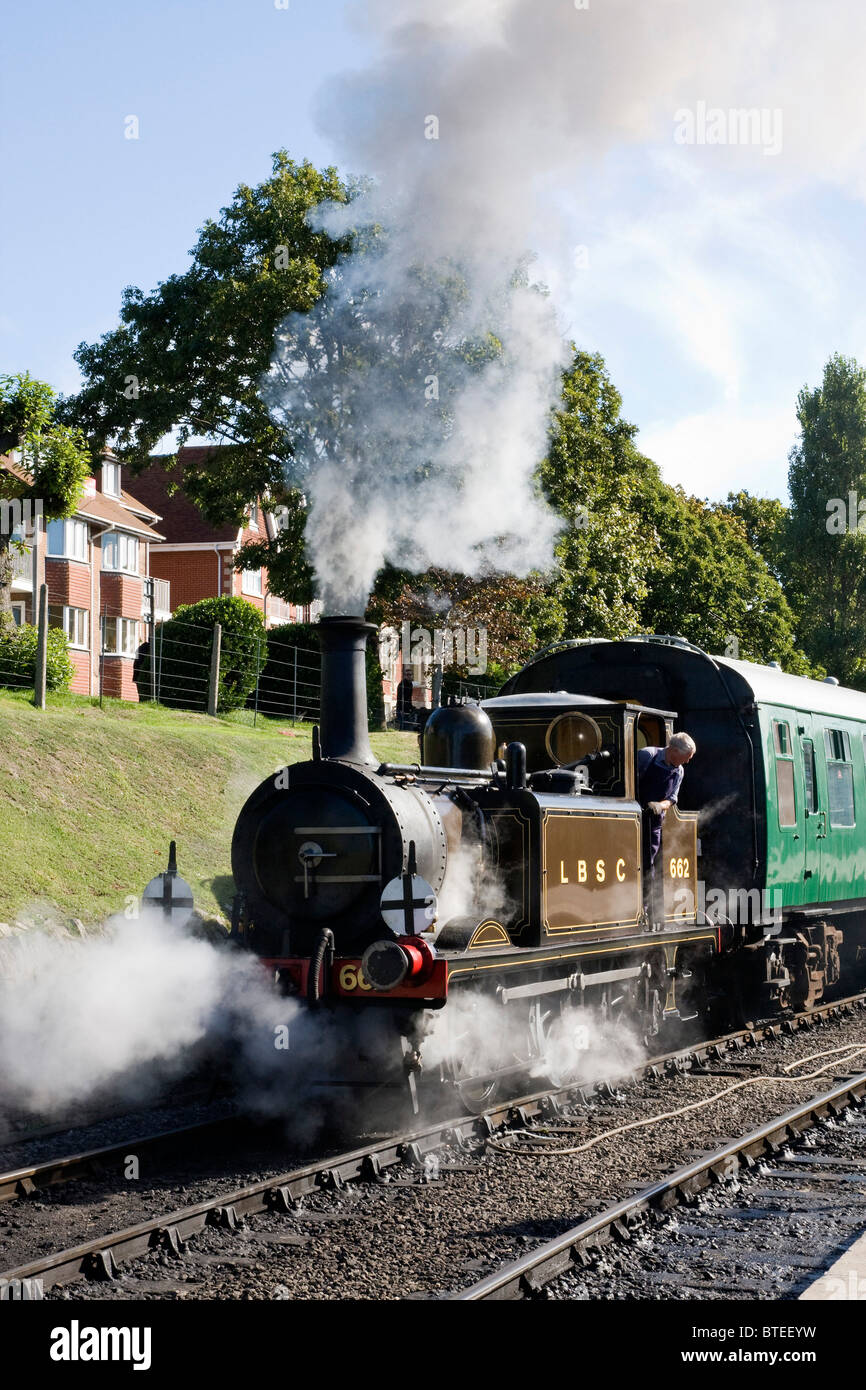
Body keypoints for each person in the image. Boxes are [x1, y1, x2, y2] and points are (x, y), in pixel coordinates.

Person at [637, 732, 696, 869]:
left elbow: (672, 798)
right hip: (635, 818)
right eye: (687, 757)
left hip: (654, 822)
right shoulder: (647, 756)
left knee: (648, 862)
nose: (687, 761)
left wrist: (659, 805)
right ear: (675, 751)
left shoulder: (679, 771)